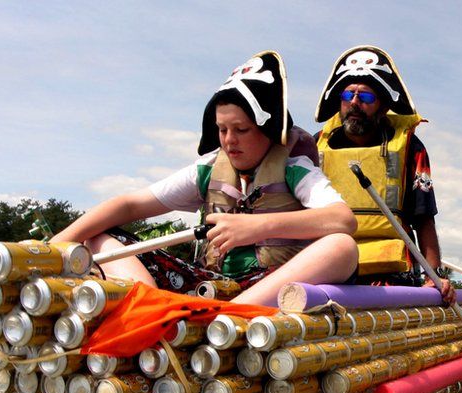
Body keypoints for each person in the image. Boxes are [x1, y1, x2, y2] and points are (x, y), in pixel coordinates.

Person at [52, 51, 358, 306]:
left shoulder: (295, 167)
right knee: (97, 236)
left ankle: (228, 319)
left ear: (267, 128)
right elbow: (129, 205)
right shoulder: (209, 168)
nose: (228, 141)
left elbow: (344, 220)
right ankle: (151, 310)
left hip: (267, 289)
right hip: (207, 286)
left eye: (241, 130)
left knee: (342, 247)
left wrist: (259, 226)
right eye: (222, 130)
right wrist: (55, 247)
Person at [313, 45, 452, 303]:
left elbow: (423, 217)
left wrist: (435, 275)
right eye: (347, 95)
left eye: (365, 98)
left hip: (390, 274)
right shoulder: (314, 147)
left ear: (383, 105)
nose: (354, 103)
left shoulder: (411, 148)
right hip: (327, 267)